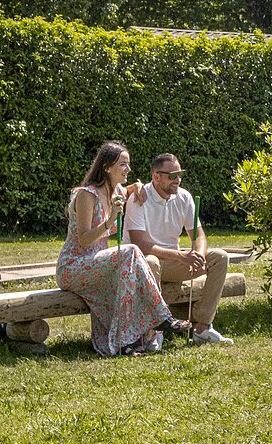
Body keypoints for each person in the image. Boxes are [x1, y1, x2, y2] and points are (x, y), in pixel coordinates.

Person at [57, 142, 192, 357]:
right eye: (123, 164)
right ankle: (161, 317)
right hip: (74, 267)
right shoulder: (86, 195)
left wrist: (137, 186)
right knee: (131, 251)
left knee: (127, 275)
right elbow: (83, 240)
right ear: (107, 167)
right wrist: (110, 221)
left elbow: (130, 189)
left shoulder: (116, 191)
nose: (128, 169)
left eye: (128, 164)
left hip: (98, 264)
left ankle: (126, 343)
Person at [125, 153, 233, 346]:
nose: (178, 180)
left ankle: (202, 327)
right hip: (143, 264)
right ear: (156, 176)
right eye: (173, 175)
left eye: (180, 174)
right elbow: (140, 244)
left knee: (220, 257)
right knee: (150, 261)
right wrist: (181, 256)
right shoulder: (139, 198)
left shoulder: (184, 196)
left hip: (173, 263)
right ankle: (154, 332)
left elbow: (199, 235)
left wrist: (198, 255)